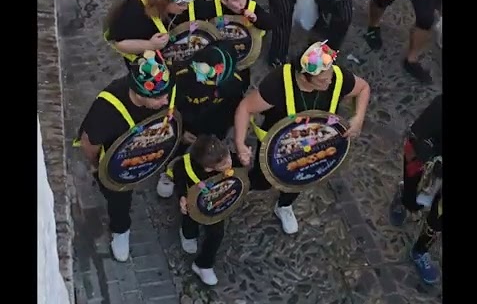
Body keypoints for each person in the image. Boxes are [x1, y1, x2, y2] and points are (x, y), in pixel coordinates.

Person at [232, 41, 372, 234]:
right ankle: (238, 188)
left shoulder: (335, 77)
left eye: (329, 76)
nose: (329, 82)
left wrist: (358, 118)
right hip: (278, 146)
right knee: (263, 180)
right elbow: (245, 108)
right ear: (305, 77)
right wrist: (240, 144)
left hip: (316, 144)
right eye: (323, 80)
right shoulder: (278, 83)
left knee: (302, 177)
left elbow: (363, 87)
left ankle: (284, 206)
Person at [73, 50, 178, 262]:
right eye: (159, 98)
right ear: (140, 94)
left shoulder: (163, 86)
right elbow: (89, 143)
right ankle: (121, 230)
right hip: (119, 163)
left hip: (150, 148)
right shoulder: (106, 109)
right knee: (119, 198)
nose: (166, 100)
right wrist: (97, 167)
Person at [154, 41, 246, 198]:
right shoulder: (180, 75)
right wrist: (179, 131)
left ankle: (205, 173)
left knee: (207, 153)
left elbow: (234, 106)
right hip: (187, 122)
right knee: (177, 148)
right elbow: (166, 106)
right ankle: (170, 171)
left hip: (215, 122)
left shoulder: (235, 81)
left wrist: (223, 130)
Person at [168, 134, 244, 286]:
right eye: (223, 164)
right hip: (194, 203)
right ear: (208, 168)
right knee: (189, 219)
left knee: (217, 233)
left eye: (228, 157)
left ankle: (203, 264)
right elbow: (180, 184)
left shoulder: (229, 159)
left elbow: (240, 172)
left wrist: (244, 160)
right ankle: (188, 234)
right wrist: (182, 197)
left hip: (217, 203)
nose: (229, 163)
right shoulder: (182, 166)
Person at [104, 0, 205, 77]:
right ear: (164, 1)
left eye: (190, 2)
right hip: (151, 66)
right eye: (181, 4)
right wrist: (151, 45)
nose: (186, 7)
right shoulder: (136, 11)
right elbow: (120, 44)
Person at [388, 94, 443, 284]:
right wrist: (435, 164)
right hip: (426, 161)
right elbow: (417, 137)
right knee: (414, 203)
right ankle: (404, 196)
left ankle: (420, 251)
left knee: (438, 220)